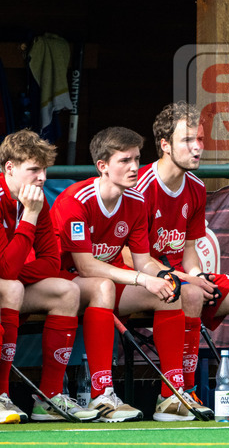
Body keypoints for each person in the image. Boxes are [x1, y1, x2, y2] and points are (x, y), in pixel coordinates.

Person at [50, 127, 199, 421]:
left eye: (137, 159)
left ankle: (171, 396)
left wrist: (168, 277)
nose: (134, 167)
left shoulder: (136, 201)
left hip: (103, 284)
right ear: (103, 166)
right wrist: (143, 278)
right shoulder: (75, 200)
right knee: (103, 285)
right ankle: (102, 395)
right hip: (59, 282)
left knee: (169, 294)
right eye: (125, 161)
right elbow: (85, 266)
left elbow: (143, 261)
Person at [136, 102, 229, 406]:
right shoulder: (141, 187)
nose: (197, 147)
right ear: (165, 145)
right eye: (187, 141)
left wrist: (197, 274)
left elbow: (189, 252)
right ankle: (181, 394)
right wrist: (189, 280)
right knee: (192, 294)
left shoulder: (196, 188)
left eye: (200, 139)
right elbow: (132, 259)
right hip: (145, 280)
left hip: (183, 278)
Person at [0, 130, 98, 423]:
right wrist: (29, 217)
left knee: (66, 291)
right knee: (11, 289)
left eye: (44, 170)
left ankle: (49, 397)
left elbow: (50, 262)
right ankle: (2, 395)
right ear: (10, 169)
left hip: (7, 283)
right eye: (33, 170)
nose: (41, 177)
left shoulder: (34, 199)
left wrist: (13, 273)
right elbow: (5, 270)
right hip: (6, 286)